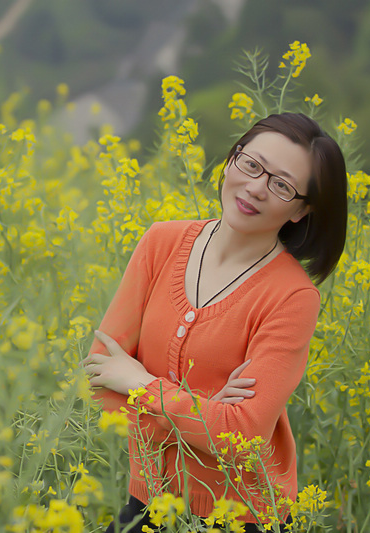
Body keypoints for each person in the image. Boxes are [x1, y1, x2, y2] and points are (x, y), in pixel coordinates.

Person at [82, 113, 348, 532]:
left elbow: (241, 437)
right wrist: (206, 412)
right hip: (149, 497)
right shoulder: (160, 243)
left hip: (238, 515)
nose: (256, 187)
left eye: (281, 185)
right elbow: (98, 381)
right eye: (252, 164)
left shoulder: (293, 297)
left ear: (301, 211)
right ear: (231, 160)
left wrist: (140, 383)